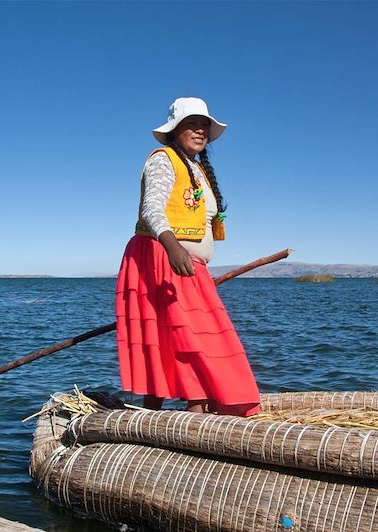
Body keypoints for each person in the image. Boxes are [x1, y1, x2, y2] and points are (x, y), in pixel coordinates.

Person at [115, 97, 260, 417]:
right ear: (174, 130)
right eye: (191, 124)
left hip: (185, 263)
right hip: (162, 258)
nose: (199, 130)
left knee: (185, 334)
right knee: (186, 335)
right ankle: (191, 416)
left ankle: (179, 412)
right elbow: (151, 209)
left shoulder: (198, 169)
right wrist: (172, 246)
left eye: (204, 125)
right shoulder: (163, 160)